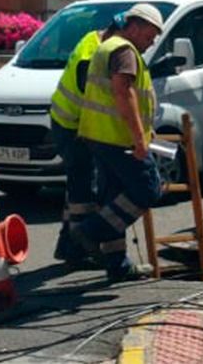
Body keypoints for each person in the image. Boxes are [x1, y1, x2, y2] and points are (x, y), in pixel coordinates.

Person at [65, 3, 166, 281]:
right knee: (148, 189)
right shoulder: (124, 51)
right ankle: (88, 232)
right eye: (149, 35)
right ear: (133, 27)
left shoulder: (108, 46)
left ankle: (117, 265)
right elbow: (124, 93)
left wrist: (145, 130)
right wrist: (139, 140)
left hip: (99, 135)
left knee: (113, 197)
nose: (151, 42)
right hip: (117, 137)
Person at [49, 16, 121, 263]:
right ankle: (79, 249)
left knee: (78, 184)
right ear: (114, 34)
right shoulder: (93, 56)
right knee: (83, 188)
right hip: (72, 126)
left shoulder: (92, 40)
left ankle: (65, 245)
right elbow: (95, 95)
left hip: (66, 121)